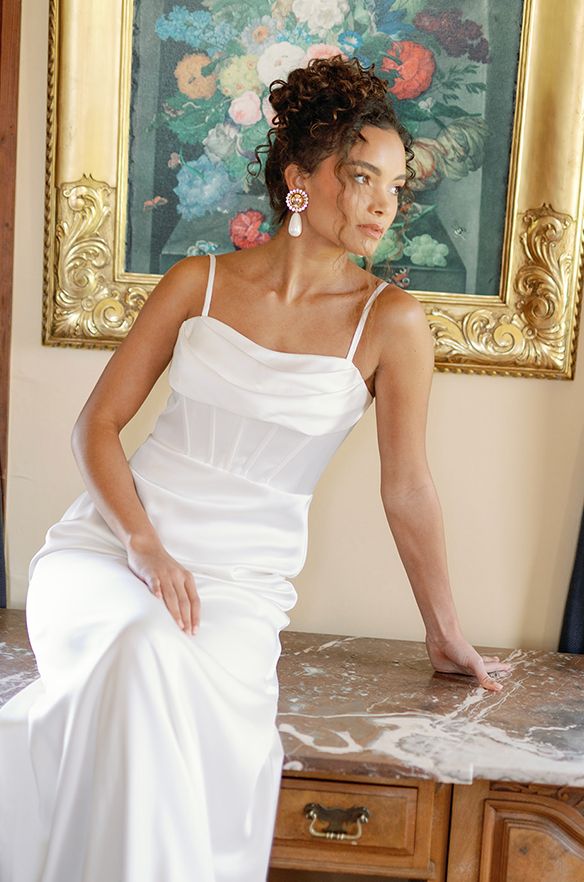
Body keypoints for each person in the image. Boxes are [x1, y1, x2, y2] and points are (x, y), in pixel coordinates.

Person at [0, 55, 511, 882]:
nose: (386, 202)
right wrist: (144, 546)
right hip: (106, 553)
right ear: (299, 177)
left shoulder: (391, 322)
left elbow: (407, 485)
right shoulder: (196, 283)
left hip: (235, 589)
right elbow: (95, 427)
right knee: (133, 643)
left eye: (396, 185)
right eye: (362, 177)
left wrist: (444, 630)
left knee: (150, 660)